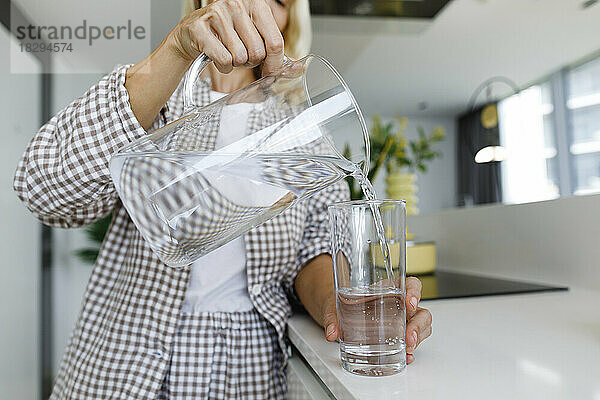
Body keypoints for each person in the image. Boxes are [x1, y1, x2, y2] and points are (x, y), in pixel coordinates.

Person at [13, 0, 432, 398]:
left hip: (250, 368)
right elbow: (44, 191)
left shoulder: (304, 133)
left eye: (279, 0)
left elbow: (315, 250)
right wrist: (177, 48)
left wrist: (338, 307)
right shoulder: (153, 99)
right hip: (126, 362)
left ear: (289, 23)